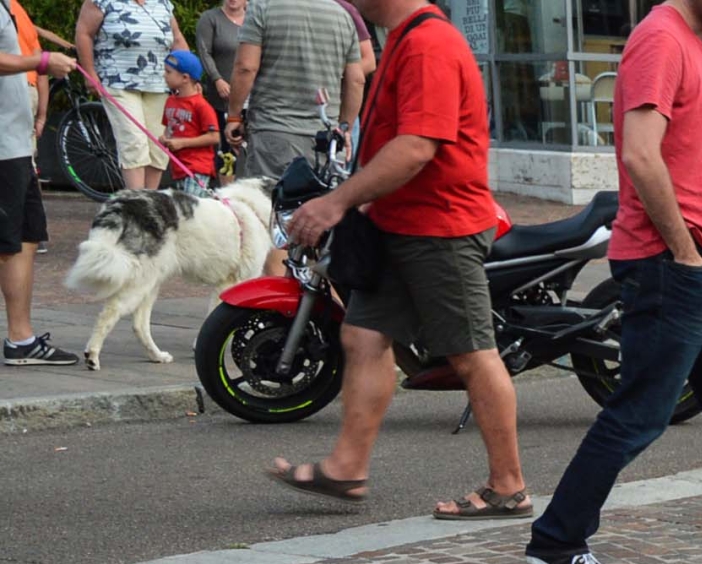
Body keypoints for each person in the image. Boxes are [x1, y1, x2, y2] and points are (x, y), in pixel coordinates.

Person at [526, 0, 702, 564]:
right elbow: (639, 154)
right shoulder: (661, 39)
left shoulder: (698, 41)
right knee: (642, 411)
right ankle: (557, 538)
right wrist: (682, 249)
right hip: (672, 263)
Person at [269, 0, 530, 523]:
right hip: (399, 223)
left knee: (471, 352)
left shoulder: (429, 44)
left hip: (441, 228)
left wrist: (337, 201)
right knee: (363, 335)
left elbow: (416, 147)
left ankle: (509, 487)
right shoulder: (404, 38)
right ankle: (346, 468)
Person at [225, 0, 364, 180]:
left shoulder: (263, 6)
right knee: (320, 204)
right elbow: (357, 80)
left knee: (270, 204)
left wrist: (234, 115)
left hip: (273, 134)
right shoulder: (342, 15)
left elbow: (246, 68)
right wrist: (344, 128)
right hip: (325, 139)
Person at [0, 35, 75, 365]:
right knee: (6, 243)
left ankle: (21, 340)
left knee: (25, 238)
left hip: (17, 142)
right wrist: (42, 62)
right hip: (2, 146)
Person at [75, 0, 175, 190]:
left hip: (160, 84)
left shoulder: (163, 2)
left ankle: (149, 201)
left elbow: (176, 39)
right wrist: (90, 73)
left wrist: (190, 76)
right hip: (117, 81)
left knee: (159, 145)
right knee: (134, 142)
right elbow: (84, 33)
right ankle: (135, 203)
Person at [160, 49, 220, 182]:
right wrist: (165, 139)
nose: (164, 75)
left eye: (168, 72)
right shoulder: (170, 101)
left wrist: (182, 143)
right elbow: (168, 128)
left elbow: (214, 137)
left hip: (197, 168)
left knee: (191, 203)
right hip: (177, 169)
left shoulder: (201, 105)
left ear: (185, 78)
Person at [195, 0, 248, 121]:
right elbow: (204, 52)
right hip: (224, 96)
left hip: (253, 95)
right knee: (227, 136)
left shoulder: (254, 19)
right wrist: (217, 79)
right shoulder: (210, 18)